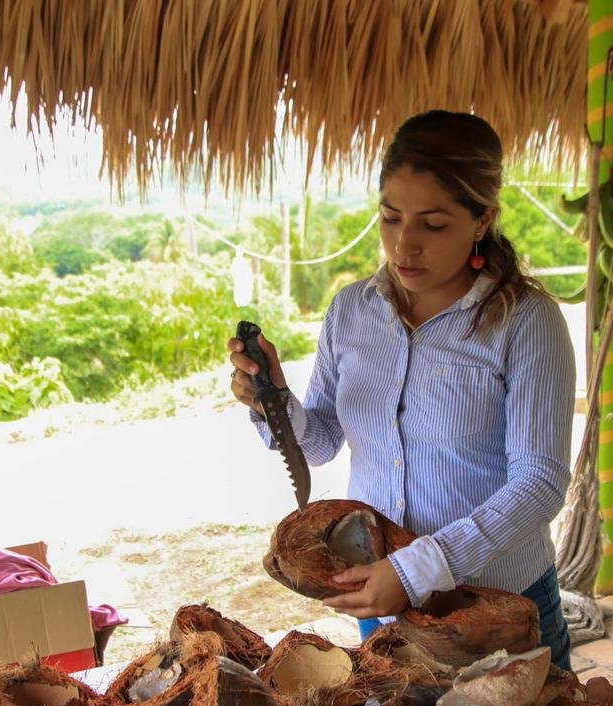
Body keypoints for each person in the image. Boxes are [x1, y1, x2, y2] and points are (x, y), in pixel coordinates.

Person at [228, 110, 576, 670]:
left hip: (495, 607)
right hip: (383, 604)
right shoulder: (353, 310)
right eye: (390, 218)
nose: (404, 245)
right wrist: (273, 399)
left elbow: (540, 483)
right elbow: (317, 442)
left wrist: (420, 569)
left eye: (433, 225)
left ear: (483, 218)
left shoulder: (524, 322)